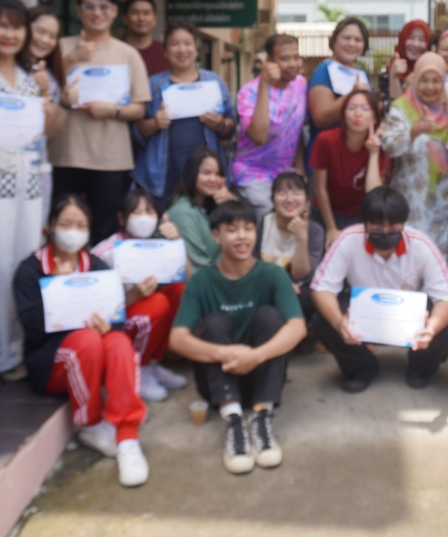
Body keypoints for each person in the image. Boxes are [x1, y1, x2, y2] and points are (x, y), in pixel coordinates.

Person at [12, 195, 148, 487]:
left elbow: (116, 317)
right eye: (65, 224)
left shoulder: (96, 266)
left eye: (80, 225)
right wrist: (58, 289)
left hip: (94, 358)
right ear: (49, 227)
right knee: (86, 339)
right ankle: (91, 424)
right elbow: (32, 329)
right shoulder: (30, 271)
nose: (73, 232)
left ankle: (128, 436)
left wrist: (108, 326)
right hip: (52, 364)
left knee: (118, 343)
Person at [169, 200, 307, 475]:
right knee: (214, 322)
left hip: (263, 375)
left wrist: (255, 356)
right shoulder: (202, 281)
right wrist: (227, 354)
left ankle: (262, 416)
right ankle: (233, 419)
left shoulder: (272, 274)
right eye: (232, 230)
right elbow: (177, 338)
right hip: (217, 382)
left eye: (248, 229)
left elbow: (298, 327)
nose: (242, 236)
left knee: (270, 317)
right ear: (216, 236)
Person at [0, 0, 67, 382]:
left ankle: (28, 346)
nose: (9, 34)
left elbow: (51, 129)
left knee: (27, 264)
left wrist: (47, 104)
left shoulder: (34, 78)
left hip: (30, 183)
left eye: (16, 27)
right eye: (1, 25)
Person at [311, 187, 448, 392]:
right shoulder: (348, 240)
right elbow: (321, 289)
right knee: (322, 321)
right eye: (376, 226)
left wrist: (432, 328)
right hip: (363, 317)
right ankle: (360, 368)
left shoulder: (421, 244)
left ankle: (421, 367)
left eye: (393, 226)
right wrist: (339, 323)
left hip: (410, 321)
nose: (384, 232)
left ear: (404, 222)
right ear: (364, 223)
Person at [49, 0, 152, 244]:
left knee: (105, 230)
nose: (97, 13)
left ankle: (99, 271)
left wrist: (113, 110)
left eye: (104, 7)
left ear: (115, 11)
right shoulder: (60, 47)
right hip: (66, 154)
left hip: (111, 158)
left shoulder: (128, 54)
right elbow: (45, 88)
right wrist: (73, 58)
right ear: (79, 10)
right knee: (63, 229)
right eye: (90, 6)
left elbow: (139, 108)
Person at [90, 187, 189, 402]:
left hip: (139, 314)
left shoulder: (156, 246)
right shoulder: (105, 253)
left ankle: (152, 362)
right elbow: (94, 307)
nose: (144, 219)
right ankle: (139, 368)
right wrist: (133, 297)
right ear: (121, 218)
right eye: (136, 212)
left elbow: (186, 279)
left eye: (149, 212)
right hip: (112, 325)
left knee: (178, 292)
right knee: (157, 303)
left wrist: (177, 242)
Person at [134, 20, 236, 210]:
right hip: (162, 175)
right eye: (175, 44)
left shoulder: (214, 82)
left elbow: (231, 127)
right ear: (165, 51)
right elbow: (137, 131)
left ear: (196, 49)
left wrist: (221, 124)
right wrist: (155, 123)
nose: (182, 49)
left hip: (207, 178)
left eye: (188, 43)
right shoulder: (153, 84)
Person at [382, 51, 448, 266]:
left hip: (441, 197)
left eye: (436, 81)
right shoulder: (401, 107)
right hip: (409, 196)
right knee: (407, 250)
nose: (430, 87)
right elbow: (389, 145)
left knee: (438, 254)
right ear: (415, 79)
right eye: (424, 80)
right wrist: (414, 131)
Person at [233, 34, 307, 219]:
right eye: (285, 58)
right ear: (269, 61)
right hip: (253, 173)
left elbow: (295, 130)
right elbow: (259, 136)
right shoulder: (249, 92)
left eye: (296, 57)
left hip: (286, 174)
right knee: (270, 218)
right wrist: (264, 84)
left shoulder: (300, 84)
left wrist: (300, 170)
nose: (293, 64)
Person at [309, 89, 391, 247]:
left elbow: (373, 194)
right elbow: (320, 188)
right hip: (325, 213)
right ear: (343, 115)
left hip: (360, 215)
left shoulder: (378, 144)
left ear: (374, 117)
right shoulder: (326, 140)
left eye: (365, 109)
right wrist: (331, 228)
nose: (357, 114)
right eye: (351, 108)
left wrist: (374, 153)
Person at [255, 171, 325, 322]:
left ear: (306, 199)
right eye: (282, 193)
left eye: (297, 192)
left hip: (299, 290)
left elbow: (302, 275)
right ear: (273, 199)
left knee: (306, 297)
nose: (289, 199)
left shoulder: (315, 231)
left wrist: (301, 237)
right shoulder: (263, 223)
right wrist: (282, 285)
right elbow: (253, 264)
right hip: (265, 285)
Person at [307, 16, 371, 162]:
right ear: (334, 40)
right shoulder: (324, 70)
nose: (352, 44)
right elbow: (320, 118)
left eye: (358, 40)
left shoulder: (361, 73)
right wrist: (352, 96)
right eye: (346, 38)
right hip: (327, 158)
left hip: (356, 157)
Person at [165, 146, 235, 270]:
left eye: (217, 174)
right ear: (192, 174)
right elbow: (197, 265)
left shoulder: (212, 203)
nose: (213, 179)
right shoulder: (183, 212)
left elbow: (246, 227)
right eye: (206, 173)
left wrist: (231, 202)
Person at [26, 6, 65, 218]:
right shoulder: (0, 67)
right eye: (40, 31)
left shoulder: (51, 77)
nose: (45, 40)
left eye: (52, 36)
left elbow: (49, 131)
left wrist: (45, 93)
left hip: (37, 164)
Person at [381, 20, 431, 102]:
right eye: (410, 38)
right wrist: (394, 77)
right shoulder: (388, 75)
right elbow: (394, 108)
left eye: (422, 40)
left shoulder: (431, 72)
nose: (416, 44)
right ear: (402, 39)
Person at [121, 0, 169, 76]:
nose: (141, 18)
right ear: (125, 19)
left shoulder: (166, 52)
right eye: (135, 13)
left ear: (155, 19)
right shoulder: (115, 50)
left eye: (146, 13)